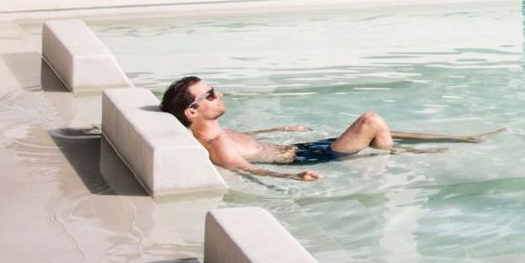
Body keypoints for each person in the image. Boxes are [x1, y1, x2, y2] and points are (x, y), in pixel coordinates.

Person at [159, 76, 501, 182]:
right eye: (210, 94)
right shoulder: (216, 144)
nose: (219, 94)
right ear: (192, 111)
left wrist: (278, 126)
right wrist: (294, 177)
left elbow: (248, 143)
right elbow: (247, 167)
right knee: (371, 121)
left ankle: (465, 137)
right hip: (310, 158)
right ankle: (401, 154)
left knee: (382, 125)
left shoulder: (217, 132)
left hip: (303, 146)